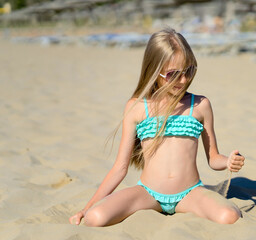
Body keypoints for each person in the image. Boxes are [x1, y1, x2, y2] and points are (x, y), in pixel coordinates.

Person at [69, 28, 245, 226]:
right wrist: (87, 208)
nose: (184, 79)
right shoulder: (137, 108)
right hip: (148, 193)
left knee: (230, 216)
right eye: (173, 74)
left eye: (189, 70)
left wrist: (228, 161)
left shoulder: (200, 105)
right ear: (154, 71)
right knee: (94, 218)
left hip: (190, 192)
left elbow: (213, 158)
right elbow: (120, 167)